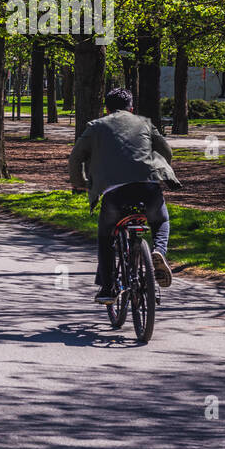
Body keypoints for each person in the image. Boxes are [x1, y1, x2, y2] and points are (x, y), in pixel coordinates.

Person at [68, 87, 178, 304]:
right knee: (161, 219)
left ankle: (108, 289)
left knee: (106, 236)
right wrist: (161, 168)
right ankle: (158, 251)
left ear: (106, 108)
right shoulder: (145, 123)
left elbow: (75, 159)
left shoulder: (96, 127)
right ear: (132, 107)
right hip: (148, 188)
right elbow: (166, 150)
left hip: (115, 194)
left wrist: (81, 184)